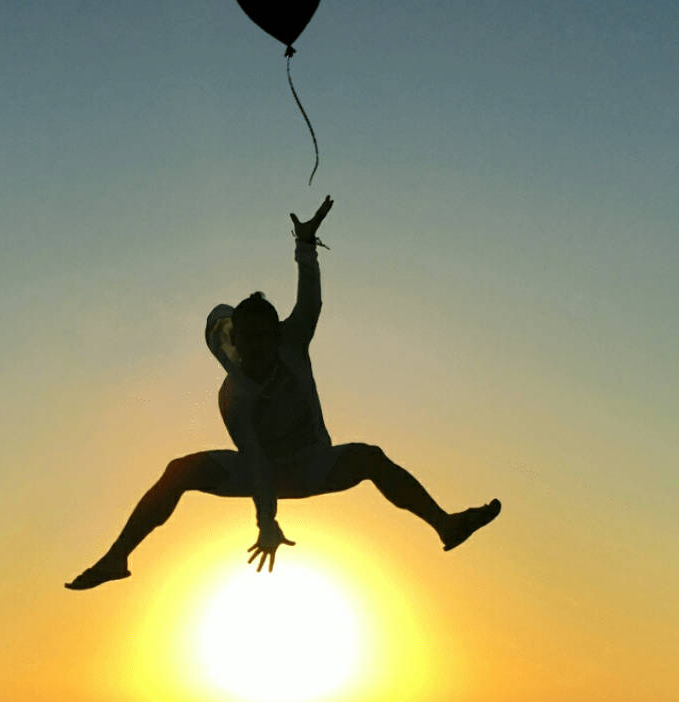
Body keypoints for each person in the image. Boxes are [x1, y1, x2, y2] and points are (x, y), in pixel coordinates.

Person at [67, 197, 500, 589]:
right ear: (239, 336)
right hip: (266, 474)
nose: (256, 346)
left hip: (313, 463)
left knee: (371, 457)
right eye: (248, 336)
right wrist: (266, 521)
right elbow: (254, 462)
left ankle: (446, 525)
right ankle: (115, 558)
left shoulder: (292, 342)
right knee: (180, 470)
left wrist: (306, 242)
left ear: (274, 335)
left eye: (263, 336)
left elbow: (310, 303)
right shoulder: (235, 396)